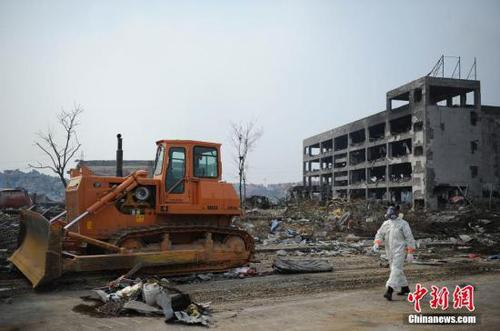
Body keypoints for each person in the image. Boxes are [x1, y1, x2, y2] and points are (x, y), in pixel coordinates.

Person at [372, 206, 416, 301]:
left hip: (400, 251)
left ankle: (389, 290)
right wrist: (377, 243)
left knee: (395, 269)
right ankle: (405, 288)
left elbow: (409, 238)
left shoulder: (403, 224)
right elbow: (380, 234)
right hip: (389, 251)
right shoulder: (386, 224)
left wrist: (410, 252)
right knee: (396, 269)